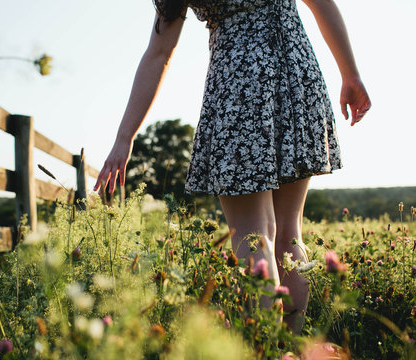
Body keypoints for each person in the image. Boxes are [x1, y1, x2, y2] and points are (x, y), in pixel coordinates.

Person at [93, 0, 371, 333]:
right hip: (296, 76)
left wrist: (125, 137)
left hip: (238, 88)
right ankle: (290, 349)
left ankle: (267, 349)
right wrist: (349, 73)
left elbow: (159, 53)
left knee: (254, 236)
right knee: (288, 234)